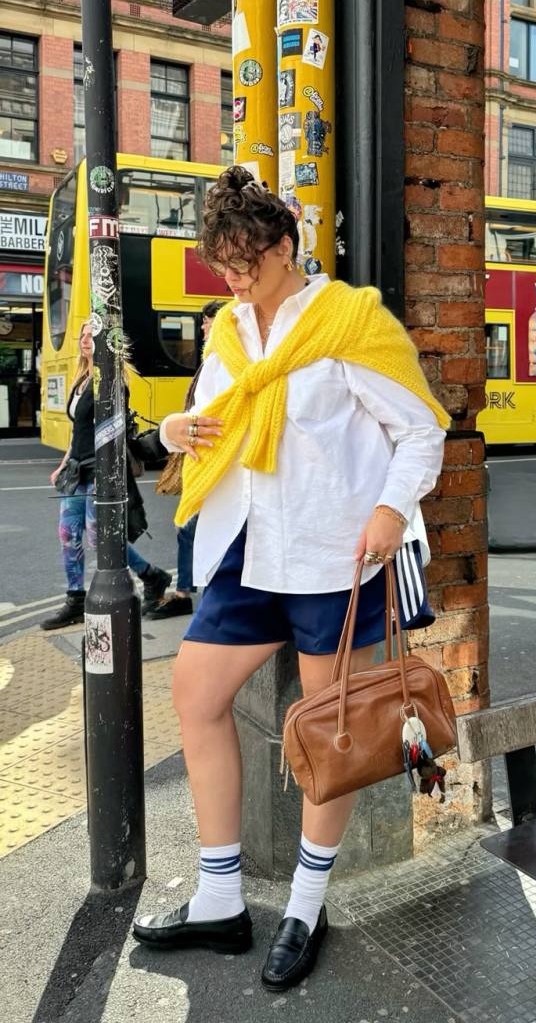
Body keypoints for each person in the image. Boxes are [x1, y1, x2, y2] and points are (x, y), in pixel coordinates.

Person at [133, 167, 449, 990]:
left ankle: (306, 904)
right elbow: (215, 421)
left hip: (337, 557)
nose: (236, 283)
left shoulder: (348, 321)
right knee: (195, 699)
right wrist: (175, 427)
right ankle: (219, 898)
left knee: (328, 741)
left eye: (248, 265)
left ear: (285, 247)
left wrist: (388, 509)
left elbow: (421, 432)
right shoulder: (230, 334)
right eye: (224, 269)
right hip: (249, 549)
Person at [41, 322, 172, 630]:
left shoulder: (112, 381)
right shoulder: (81, 380)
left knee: (101, 538)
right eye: (83, 335)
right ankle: (74, 600)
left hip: (99, 470)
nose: (85, 340)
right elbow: (78, 431)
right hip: (76, 469)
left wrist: (107, 477)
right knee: (67, 533)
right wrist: (63, 463)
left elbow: (112, 433)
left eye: (92, 336)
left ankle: (152, 575)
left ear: (107, 342)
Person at [149, 300, 225, 620]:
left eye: (209, 322)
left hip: (213, 464)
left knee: (197, 530)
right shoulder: (210, 362)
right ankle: (188, 592)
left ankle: (190, 595)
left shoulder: (222, 361)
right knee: (189, 529)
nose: (204, 328)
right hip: (203, 461)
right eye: (204, 322)